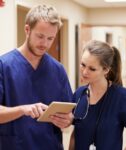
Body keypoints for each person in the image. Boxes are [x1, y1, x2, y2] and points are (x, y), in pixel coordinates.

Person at [0, 4, 73, 150]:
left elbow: (70, 113)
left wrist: (68, 120)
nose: (44, 43)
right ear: (27, 30)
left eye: (50, 38)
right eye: (40, 36)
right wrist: (23, 110)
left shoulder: (58, 70)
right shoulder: (4, 65)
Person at [69, 40, 126, 150]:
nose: (84, 72)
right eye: (83, 65)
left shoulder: (121, 96)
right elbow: (76, 134)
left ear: (106, 70)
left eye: (92, 69)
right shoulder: (79, 94)